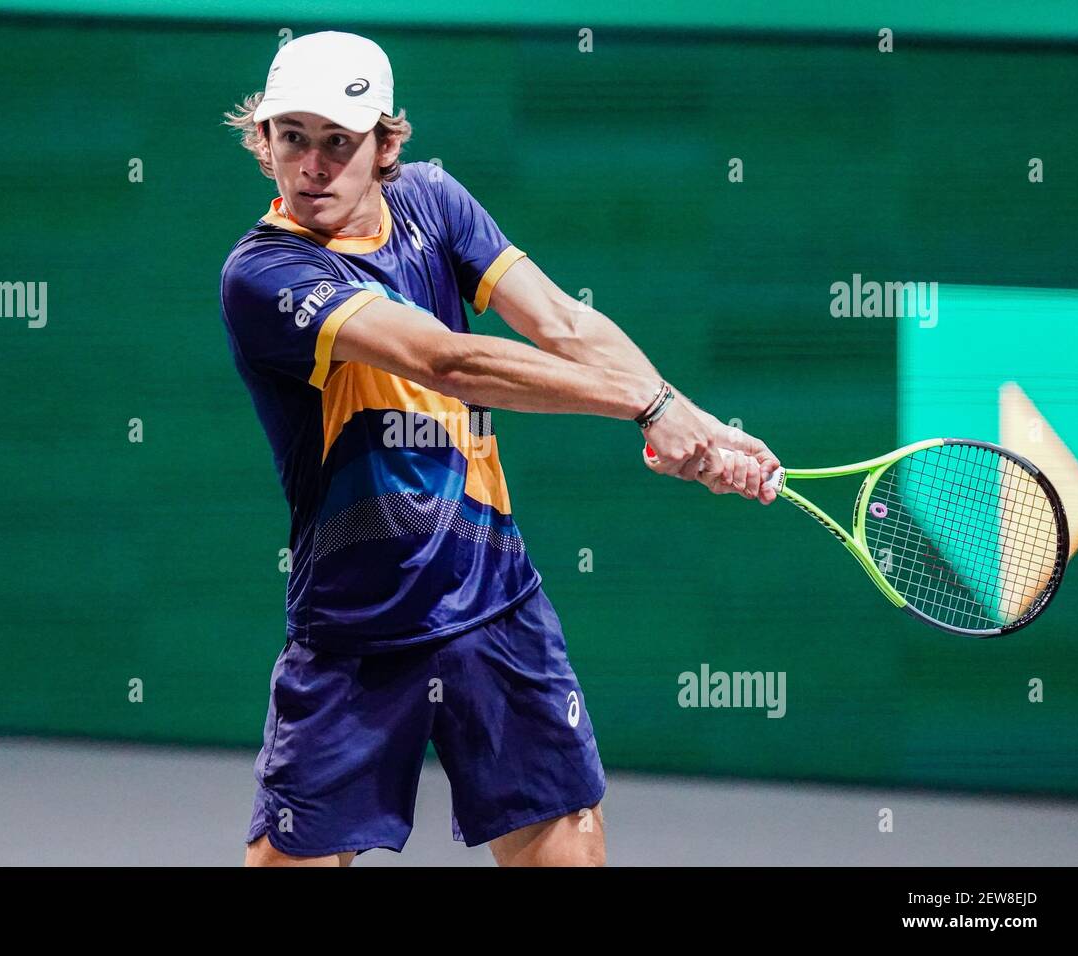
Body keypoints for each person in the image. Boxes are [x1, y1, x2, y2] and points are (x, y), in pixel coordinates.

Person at [220, 31, 780, 867]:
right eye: (291, 137)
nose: (313, 164)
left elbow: (562, 324)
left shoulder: (434, 202)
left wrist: (695, 424)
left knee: (566, 847)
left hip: (494, 604)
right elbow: (451, 361)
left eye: (339, 141)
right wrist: (650, 405)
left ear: (385, 145)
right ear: (263, 142)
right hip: (352, 630)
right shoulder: (264, 274)